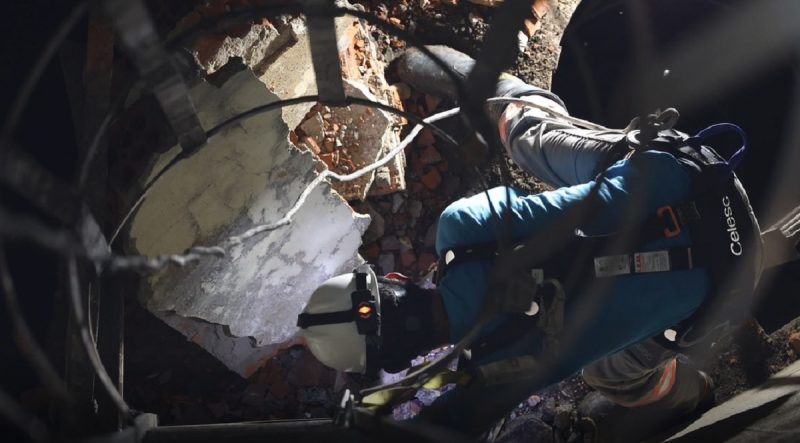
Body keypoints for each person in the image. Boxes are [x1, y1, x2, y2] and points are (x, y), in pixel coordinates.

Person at [296, 46, 762, 440]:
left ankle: (691, 394)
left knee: (611, 375)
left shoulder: (497, 375)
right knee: (530, 136)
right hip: (698, 175)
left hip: (732, 278)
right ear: (392, 278)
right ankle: (481, 85)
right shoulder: (459, 228)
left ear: (401, 360)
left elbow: (450, 424)